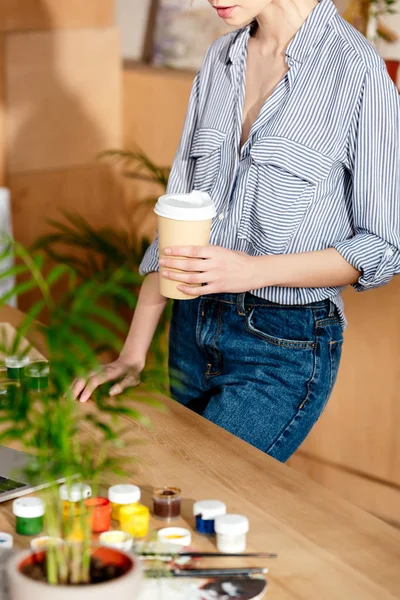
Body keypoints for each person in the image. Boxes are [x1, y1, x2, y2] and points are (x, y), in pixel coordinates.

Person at [73, 0, 400, 462]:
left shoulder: (357, 70)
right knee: (182, 506)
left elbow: (381, 247)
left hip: (281, 345)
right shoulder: (220, 59)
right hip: (192, 328)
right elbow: (178, 215)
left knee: (203, 486)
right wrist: (132, 352)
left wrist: (252, 271)